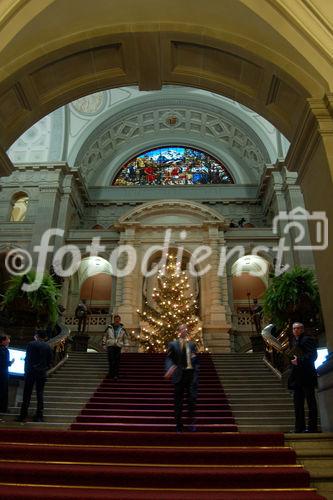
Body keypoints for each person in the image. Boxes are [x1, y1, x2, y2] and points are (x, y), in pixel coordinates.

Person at [165, 324, 199, 432]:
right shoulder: (173, 344)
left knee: (191, 400)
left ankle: (191, 422)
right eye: (182, 328)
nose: (184, 330)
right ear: (179, 331)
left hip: (190, 375)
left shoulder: (192, 345)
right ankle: (179, 425)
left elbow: (196, 361)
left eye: (185, 328)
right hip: (179, 375)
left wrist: (195, 374)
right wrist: (170, 368)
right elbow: (169, 358)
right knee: (178, 402)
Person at [288, 322, 319, 433]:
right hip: (297, 377)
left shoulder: (307, 339)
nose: (296, 330)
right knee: (298, 404)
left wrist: (299, 361)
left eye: (298, 328)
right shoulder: (294, 341)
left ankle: (312, 428)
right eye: (294, 328)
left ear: (302, 329)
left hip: (307, 375)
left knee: (311, 402)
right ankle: (299, 428)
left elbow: (313, 355)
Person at [17, 330, 53, 422]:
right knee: (40, 394)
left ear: (36, 336)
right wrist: (44, 369)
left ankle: (23, 415)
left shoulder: (31, 344)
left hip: (31, 372)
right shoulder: (48, 346)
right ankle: (39, 415)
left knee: (27, 394)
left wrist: (26, 371)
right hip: (41, 373)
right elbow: (50, 361)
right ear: (44, 337)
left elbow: (27, 359)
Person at [102, 315, 129, 380]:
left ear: (120, 320)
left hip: (118, 346)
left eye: (118, 319)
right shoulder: (109, 328)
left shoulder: (122, 329)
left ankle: (116, 374)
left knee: (117, 361)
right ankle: (111, 373)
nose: (117, 320)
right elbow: (105, 336)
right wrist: (103, 343)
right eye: (116, 319)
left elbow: (125, 338)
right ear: (114, 320)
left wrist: (126, 346)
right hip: (110, 345)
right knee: (111, 360)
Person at [0, 334, 14, 415]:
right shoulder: (4, 350)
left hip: (2, 373)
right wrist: (11, 362)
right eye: (8, 339)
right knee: (3, 391)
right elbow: (4, 362)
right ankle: (2, 408)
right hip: (3, 374)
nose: (9, 341)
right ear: (3, 341)